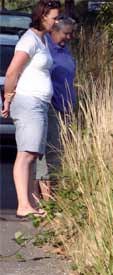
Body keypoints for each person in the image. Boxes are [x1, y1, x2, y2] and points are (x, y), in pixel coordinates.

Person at [1, 0, 61, 219]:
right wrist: (7, 98)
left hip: (40, 104)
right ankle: (23, 204)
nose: (56, 22)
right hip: (28, 103)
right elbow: (11, 73)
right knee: (25, 154)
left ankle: (31, 203)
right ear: (42, 15)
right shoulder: (28, 40)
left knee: (33, 153)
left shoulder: (42, 40)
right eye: (54, 17)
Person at [36, 15, 77, 201]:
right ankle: (47, 197)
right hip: (52, 107)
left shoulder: (64, 50)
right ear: (54, 31)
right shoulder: (46, 49)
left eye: (71, 34)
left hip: (67, 108)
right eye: (66, 34)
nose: (69, 37)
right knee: (51, 152)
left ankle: (58, 194)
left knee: (62, 152)